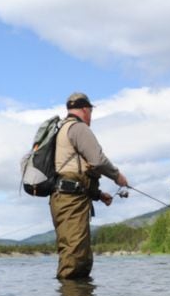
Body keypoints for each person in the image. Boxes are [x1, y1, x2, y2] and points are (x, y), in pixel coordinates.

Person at [48, 92, 128, 280]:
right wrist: (118, 177)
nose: (91, 115)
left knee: (78, 256)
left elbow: (73, 171)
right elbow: (97, 161)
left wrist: (98, 194)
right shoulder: (78, 128)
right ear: (86, 109)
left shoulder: (62, 129)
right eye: (91, 111)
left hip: (66, 198)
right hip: (70, 201)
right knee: (75, 258)